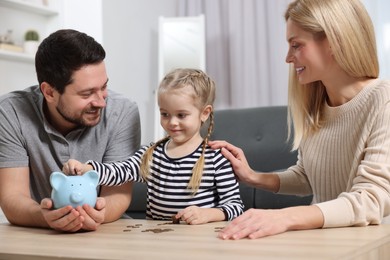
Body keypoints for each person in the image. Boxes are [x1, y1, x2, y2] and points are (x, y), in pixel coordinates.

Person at [209, 0, 390, 239]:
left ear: (334, 41)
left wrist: (285, 217)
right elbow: (308, 176)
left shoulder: (383, 99)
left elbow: (371, 199)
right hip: (321, 242)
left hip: (369, 245)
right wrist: (253, 176)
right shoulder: (317, 105)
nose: (288, 58)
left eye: (296, 45)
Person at [0, 29, 141, 232]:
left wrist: (98, 214)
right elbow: (12, 198)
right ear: (49, 92)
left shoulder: (123, 112)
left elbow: (117, 194)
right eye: (87, 93)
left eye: (103, 87)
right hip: (40, 233)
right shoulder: (10, 112)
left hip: (107, 230)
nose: (102, 101)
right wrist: (46, 217)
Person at [63, 68, 244, 224]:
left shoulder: (217, 158)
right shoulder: (151, 154)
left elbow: (235, 207)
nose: (172, 122)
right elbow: (121, 171)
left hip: (200, 244)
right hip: (158, 241)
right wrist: (88, 169)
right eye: (165, 114)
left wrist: (208, 214)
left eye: (181, 115)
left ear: (204, 113)